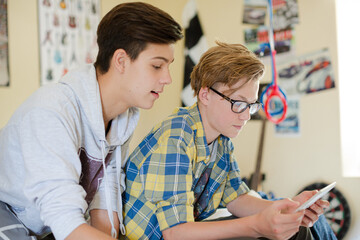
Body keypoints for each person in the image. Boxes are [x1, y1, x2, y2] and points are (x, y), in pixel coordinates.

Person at [0, 2, 182, 240]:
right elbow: (66, 222)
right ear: (121, 61)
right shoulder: (51, 112)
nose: (167, 78)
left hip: (43, 226)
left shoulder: (123, 117)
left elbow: (105, 197)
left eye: (168, 67)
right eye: (157, 66)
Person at [123, 41, 331, 240]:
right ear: (205, 95)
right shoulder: (176, 137)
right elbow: (175, 233)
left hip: (185, 231)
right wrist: (256, 225)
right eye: (239, 103)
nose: (246, 115)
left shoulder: (222, 141)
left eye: (251, 105)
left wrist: (289, 206)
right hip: (162, 236)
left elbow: (236, 198)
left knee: (301, 227)